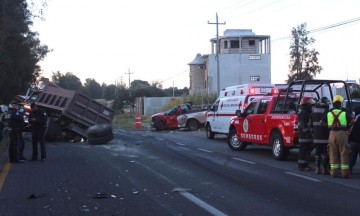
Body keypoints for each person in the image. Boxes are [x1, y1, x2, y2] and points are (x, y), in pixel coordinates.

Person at [322, 95, 353, 178]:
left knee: (332, 153)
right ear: (340, 104)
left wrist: (329, 127)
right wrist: (348, 126)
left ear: (334, 103)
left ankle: (334, 173)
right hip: (342, 133)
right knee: (344, 152)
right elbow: (352, 121)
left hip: (331, 134)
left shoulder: (329, 113)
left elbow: (322, 122)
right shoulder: (344, 113)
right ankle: (345, 173)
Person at [311, 97, 331, 174]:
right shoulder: (327, 112)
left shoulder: (313, 112)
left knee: (317, 151)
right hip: (325, 136)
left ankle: (317, 168)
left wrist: (313, 133)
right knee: (325, 152)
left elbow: (310, 125)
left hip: (316, 137)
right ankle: (325, 169)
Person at [298, 96, 315, 171]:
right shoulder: (304, 113)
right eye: (310, 105)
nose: (311, 106)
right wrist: (307, 132)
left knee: (307, 150)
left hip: (306, 136)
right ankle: (302, 166)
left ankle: (305, 164)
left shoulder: (307, 112)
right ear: (306, 105)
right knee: (304, 151)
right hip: (304, 136)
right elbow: (303, 124)